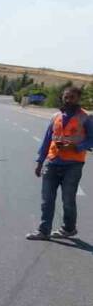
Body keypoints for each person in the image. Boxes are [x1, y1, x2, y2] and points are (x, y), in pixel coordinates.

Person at [26, 86, 93, 240]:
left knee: (68, 199)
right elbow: (47, 139)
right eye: (66, 97)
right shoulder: (56, 116)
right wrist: (40, 161)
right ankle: (44, 231)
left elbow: (91, 139)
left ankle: (68, 229)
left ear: (78, 99)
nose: (68, 100)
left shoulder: (86, 117)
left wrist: (76, 146)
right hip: (52, 161)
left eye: (72, 97)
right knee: (46, 199)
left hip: (73, 164)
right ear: (62, 98)